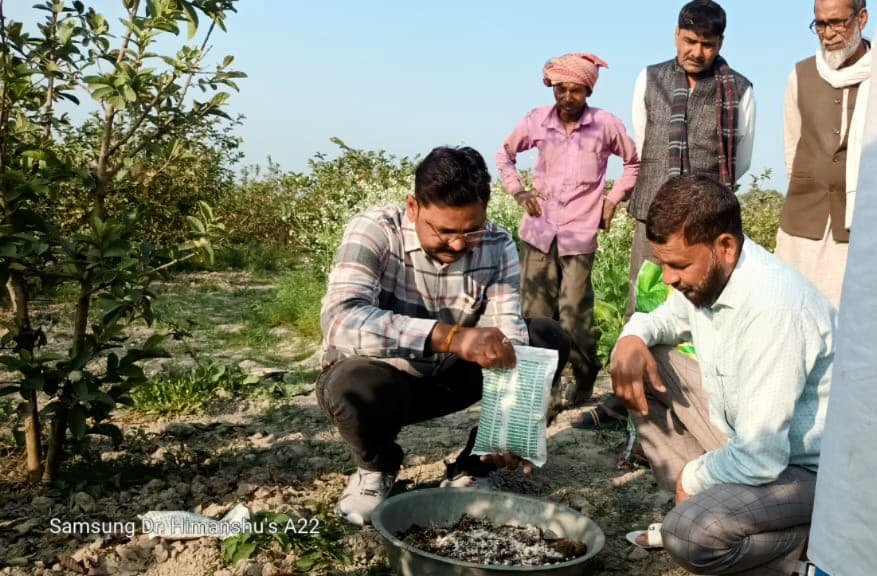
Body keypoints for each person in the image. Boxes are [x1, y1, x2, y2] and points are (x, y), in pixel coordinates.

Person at [317, 146, 570, 526]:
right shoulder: (375, 231)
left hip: (452, 378)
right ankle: (377, 468)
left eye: (470, 231)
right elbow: (340, 319)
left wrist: (514, 421)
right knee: (349, 382)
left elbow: (510, 336)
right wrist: (450, 336)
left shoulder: (497, 244)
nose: (457, 244)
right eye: (444, 231)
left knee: (546, 337)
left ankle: (475, 464)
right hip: (388, 379)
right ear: (413, 207)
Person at [613, 174, 834, 575]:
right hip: (753, 442)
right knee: (645, 361)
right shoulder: (713, 278)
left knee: (691, 534)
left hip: (812, 471)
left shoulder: (773, 310)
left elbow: (760, 457)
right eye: (663, 264)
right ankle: (715, 505)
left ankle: (811, 545)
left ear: (725, 247)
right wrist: (630, 338)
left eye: (678, 265)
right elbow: (663, 320)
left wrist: (694, 475)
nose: (668, 279)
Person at [587, 0, 757, 430]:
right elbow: (644, 146)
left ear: (720, 43)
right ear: (676, 35)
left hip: (704, 222)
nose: (697, 52)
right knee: (640, 299)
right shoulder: (650, 78)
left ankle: (693, 398)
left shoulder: (740, 89)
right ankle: (624, 394)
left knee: (702, 306)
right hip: (653, 215)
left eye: (707, 44)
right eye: (689, 41)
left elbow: (742, 162)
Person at [496, 52, 639, 413]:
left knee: (575, 312)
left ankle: (586, 374)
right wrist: (519, 192)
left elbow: (633, 163)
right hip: (539, 232)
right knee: (537, 312)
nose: (567, 97)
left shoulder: (605, 125)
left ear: (588, 91)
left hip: (579, 232)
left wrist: (612, 200)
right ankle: (546, 387)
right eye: (561, 89)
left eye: (576, 90)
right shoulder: (536, 121)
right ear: (552, 87)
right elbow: (504, 155)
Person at [775, 0, 870, 309]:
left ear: (862, 19)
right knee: (795, 308)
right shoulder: (800, 74)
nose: (828, 33)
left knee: (851, 318)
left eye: (837, 23)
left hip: (861, 226)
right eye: (820, 24)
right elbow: (792, 142)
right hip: (804, 223)